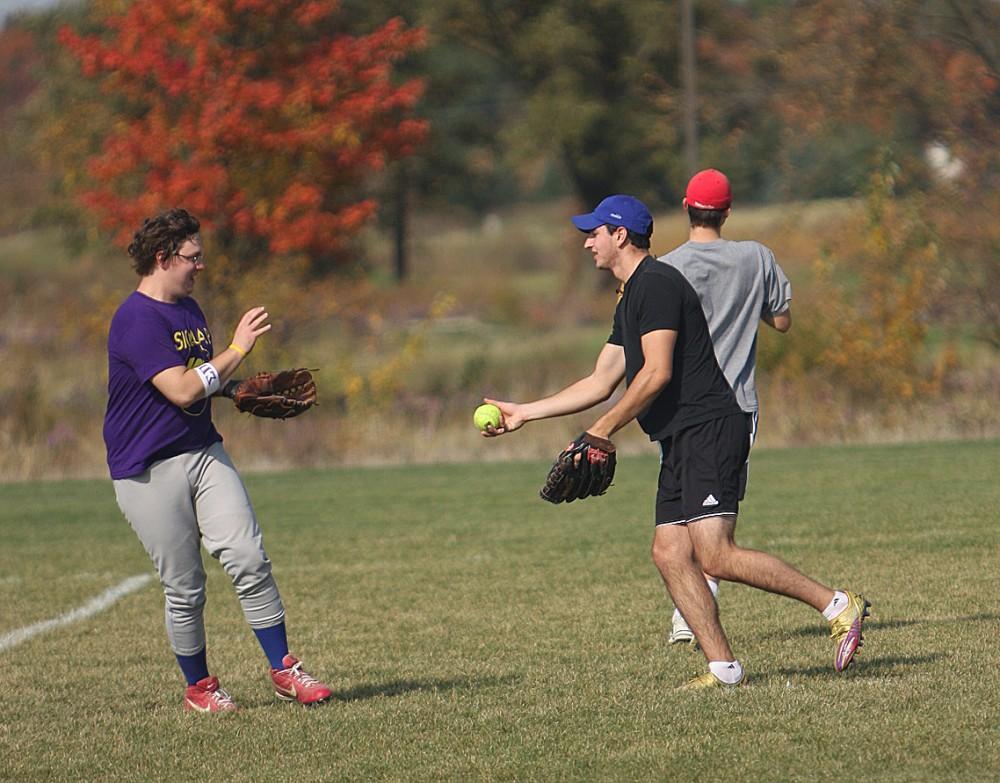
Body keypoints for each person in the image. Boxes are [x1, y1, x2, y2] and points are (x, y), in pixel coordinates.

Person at [483, 195, 869, 688]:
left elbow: (657, 373)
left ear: (619, 235)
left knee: (715, 554)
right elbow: (602, 380)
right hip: (679, 436)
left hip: (709, 427)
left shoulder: (659, 285)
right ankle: (723, 667)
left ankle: (839, 605)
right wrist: (526, 413)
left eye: (594, 232)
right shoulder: (630, 296)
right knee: (669, 552)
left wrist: (602, 429)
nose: (587, 242)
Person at [104, 208, 332, 712]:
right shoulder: (134, 319)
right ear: (163, 258)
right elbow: (184, 389)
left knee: (249, 556)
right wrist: (237, 350)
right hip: (146, 469)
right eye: (193, 257)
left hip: (202, 450)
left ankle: (285, 669)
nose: (200, 265)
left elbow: (197, 384)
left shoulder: (189, 310)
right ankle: (200, 688)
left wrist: (231, 389)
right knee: (185, 587)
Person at [657, 168, 792, 645]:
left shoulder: (666, 267)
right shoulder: (756, 257)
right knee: (713, 515)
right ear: (728, 211)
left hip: (680, 406)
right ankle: (692, 605)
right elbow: (781, 321)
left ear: (685, 206)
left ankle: (688, 610)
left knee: (688, 510)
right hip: (735, 403)